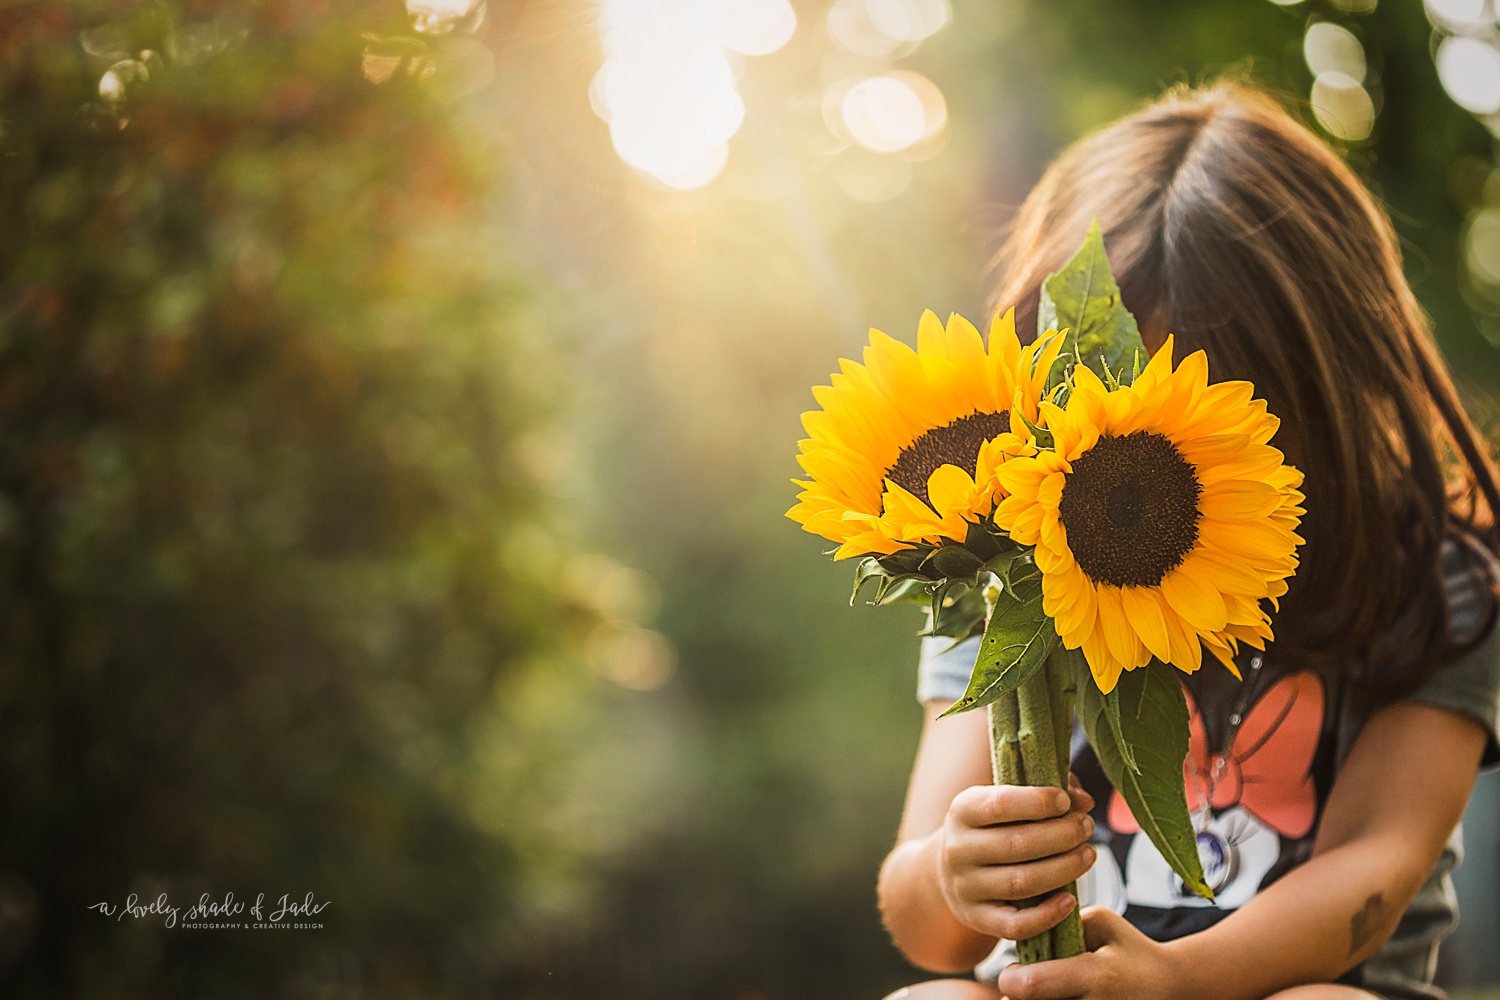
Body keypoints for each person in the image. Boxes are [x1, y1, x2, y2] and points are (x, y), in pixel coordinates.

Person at [875, 83, 1500, 1000]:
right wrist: (953, 874)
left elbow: (1377, 861)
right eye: (1115, 424)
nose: (1152, 472)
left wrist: (1175, 979)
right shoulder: (1009, 569)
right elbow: (925, 929)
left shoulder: (1432, 579)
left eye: (1219, 419)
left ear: (1321, 390)